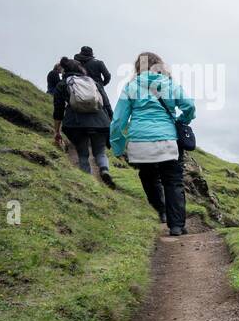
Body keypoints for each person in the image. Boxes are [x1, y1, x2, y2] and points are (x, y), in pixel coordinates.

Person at [109, 52, 196, 236]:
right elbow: (189, 106)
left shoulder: (131, 87)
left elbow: (118, 121)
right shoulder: (170, 84)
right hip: (167, 140)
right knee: (173, 181)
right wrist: (182, 120)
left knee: (148, 177)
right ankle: (177, 226)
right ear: (160, 66)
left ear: (138, 67)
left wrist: (117, 146)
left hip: (140, 142)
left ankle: (161, 210)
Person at [52, 56, 115, 186]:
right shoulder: (93, 82)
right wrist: (111, 122)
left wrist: (57, 131)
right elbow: (107, 105)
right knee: (100, 152)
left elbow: (58, 110)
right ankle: (104, 170)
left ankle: (88, 181)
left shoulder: (62, 84)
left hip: (75, 123)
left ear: (65, 70)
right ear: (81, 69)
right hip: (100, 122)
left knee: (83, 154)